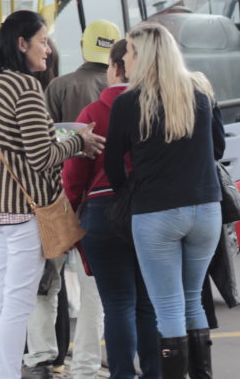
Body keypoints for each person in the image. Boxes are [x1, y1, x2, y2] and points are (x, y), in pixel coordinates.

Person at [0, 10, 104, 379]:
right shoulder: (26, 87)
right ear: (22, 43)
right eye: (43, 41)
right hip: (22, 208)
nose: (48, 50)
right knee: (17, 302)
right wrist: (79, 141)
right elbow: (42, 156)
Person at [104, 23, 225, 379]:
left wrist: (129, 194)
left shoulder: (128, 102)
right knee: (192, 301)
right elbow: (218, 149)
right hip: (206, 210)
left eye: (127, 51)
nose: (124, 58)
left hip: (155, 212)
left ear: (141, 56)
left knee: (168, 306)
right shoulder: (199, 96)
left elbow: (113, 163)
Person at [28, 19, 121, 379]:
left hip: (55, 196)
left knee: (45, 282)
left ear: (83, 46)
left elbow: (41, 145)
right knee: (94, 288)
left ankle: (40, 356)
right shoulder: (124, 96)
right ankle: (84, 365)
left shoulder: (58, 86)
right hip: (101, 203)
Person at [63, 39, 160, 379]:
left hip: (102, 213)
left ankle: (121, 374)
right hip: (149, 212)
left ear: (118, 66)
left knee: (117, 303)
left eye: (107, 66)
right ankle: (154, 373)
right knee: (147, 305)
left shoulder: (93, 113)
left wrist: (72, 209)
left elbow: (74, 172)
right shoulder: (157, 108)